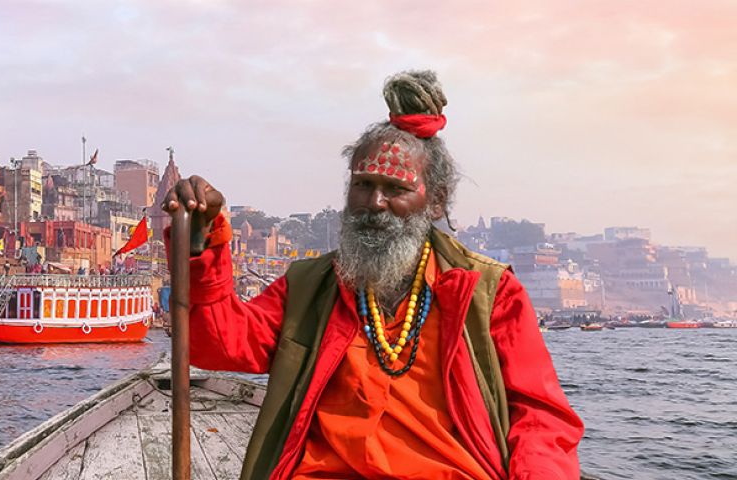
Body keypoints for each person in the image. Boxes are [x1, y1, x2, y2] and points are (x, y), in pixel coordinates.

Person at [162, 71, 582, 479]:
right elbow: (215, 345)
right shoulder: (311, 286)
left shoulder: (488, 293)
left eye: (395, 188)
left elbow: (541, 418)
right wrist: (202, 245)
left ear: (434, 202)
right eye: (362, 184)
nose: (374, 202)